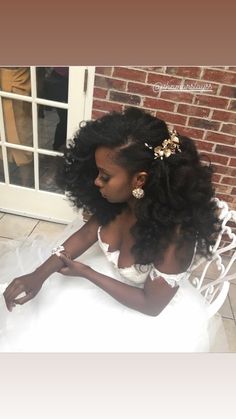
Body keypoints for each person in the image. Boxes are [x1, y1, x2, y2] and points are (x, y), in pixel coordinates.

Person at [0, 107, 225, 352]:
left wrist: (87, 273)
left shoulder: (176, 238)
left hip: (141, 318)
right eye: (97, 172)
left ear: (139, 180)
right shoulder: (120, 203)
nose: (96, 181)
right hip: (97, 284)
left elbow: (151, 305)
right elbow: (86, 235)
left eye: (105, 176)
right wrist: (39, 275)